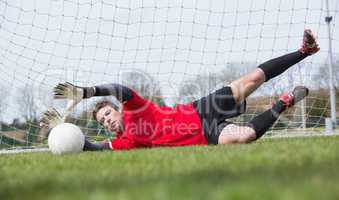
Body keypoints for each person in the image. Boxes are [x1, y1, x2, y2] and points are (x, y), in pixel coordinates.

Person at [46, 29, 319, 151]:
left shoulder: (134, 110)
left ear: (116, 110)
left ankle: (303, 51)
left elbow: (121, 90)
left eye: (107, 113)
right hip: (206, 136)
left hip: (200, 110)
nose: (106, 120)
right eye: (102, 121)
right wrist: (64, 136)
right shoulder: (125, 143)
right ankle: (282, 103)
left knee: (252, 79)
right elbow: (93, 148)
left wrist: (87, 91)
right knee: (245, 136)